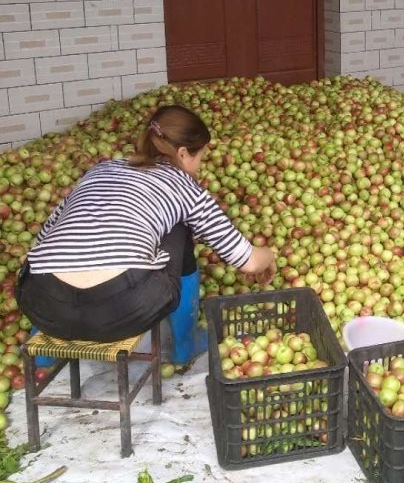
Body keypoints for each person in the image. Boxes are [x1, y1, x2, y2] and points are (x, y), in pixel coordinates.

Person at [17, 105, 276, 347]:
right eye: (201, 157)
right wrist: (271, 256)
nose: (199, 167)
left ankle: (41, 358)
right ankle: (184, 345)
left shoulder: (101, 170)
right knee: (180, 227)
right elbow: (249, 261)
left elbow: (44, 237)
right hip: (120, 311)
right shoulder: (185, 188)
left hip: (42, 305)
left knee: (53, 256)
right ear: (184, 153)